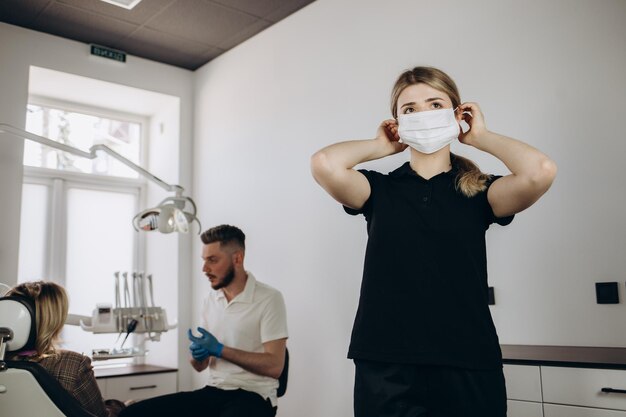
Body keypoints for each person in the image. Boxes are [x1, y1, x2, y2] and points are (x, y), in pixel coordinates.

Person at [310, 66, 557, 417]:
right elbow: (324, 164)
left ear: (457, 114)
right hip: (386, 362)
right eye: (409, 109)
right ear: (397, 122)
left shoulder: (481, 191)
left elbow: (540, 171)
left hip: (468, 358)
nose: (422, 114)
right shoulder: (378, 190)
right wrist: (381, 146)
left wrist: (479, 135)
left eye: (435, 103)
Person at [121, 224, 288, 417]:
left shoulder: (269, 298)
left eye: (213, 260)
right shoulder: (211, 300)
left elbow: (275, 366)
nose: (204, 268)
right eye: (204, 260)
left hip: (254, 395)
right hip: (214, 391)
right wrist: (198, 355)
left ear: (237, 259)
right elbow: (199, 367)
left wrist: (220, 350)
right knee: (132, 414)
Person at [6, 281, 125, 417]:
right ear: (53, 320)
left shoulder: (5, 364)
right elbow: (99, 414)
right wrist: (117, 406)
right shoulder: (73, 364)